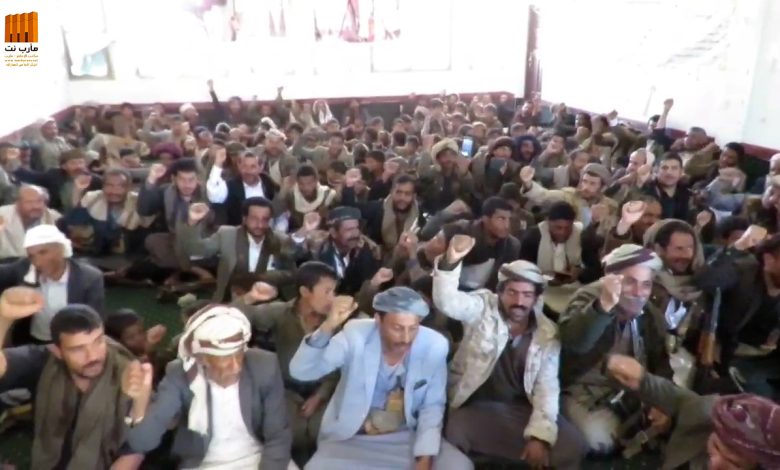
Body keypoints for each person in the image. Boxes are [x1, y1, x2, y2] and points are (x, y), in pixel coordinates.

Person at [432, 235, 587, 469]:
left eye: (527, 295)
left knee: (572, 445)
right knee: (456, 433)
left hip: (519, 410)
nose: (519, 301)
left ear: (536, 298)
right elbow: (447, 301)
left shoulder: (546, 333)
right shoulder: (483, 308)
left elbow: (546, 388)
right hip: (474, 406)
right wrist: (450, 262)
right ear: (500, 292)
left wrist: (539, 436)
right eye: (512, 293)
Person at [289, 287, 473, 469]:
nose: (406, 338)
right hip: (353, 438)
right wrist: (327, 327)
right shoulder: (356, 335)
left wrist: (424, 457)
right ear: (378, 320)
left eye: (413, 328)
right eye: (398, 328)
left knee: (460, 466)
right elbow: (302, 371)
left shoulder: (434, 345)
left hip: (406, 438)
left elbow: (432, 406)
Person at [124, 304, 294, 469]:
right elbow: (142, 443)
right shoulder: (180, 375)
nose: (236, 366)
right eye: (225, 358)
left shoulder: (264, 365)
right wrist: (140, 401)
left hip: (262, 456)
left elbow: (278, 434)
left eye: (239, 355)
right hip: (205, 464)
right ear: (202, 358)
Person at [0, 291, 142, 469]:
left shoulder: (127, 371)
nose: (93, 356)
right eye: (78, 349)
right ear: (57, 351)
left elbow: (139, 442)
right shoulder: (44, 361)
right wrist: (3, 319)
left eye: (98, 341)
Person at [558, 244, 671, 455]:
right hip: (585, 390)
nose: (639, 293)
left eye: (646, 285)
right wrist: (602, 307)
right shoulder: (587, 298)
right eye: (630, 282)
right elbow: (574, 342)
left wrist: (662, 403)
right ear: (611, 280)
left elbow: (660, 361)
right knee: (599, 439)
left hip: (630, 388)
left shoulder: (649, 313)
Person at [231, 262, 342, 465]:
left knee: (323, 433)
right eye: (327, 292)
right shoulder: (280, 312)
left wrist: (320, 396)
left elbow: (337, 368)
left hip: (324, 390)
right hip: (287, 391)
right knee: (290, 435)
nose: (332, 298)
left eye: (334, 292)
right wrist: (250, 298)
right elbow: (232, 318)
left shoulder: (337, 320)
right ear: (305, 292)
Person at [607, 354, 780, 469]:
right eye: (716, 446)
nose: (714, 463)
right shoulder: (706, 416)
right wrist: (642, 380)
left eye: (733, 463)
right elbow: (681, 400)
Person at [177, 197, 303, 302]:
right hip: (231, 300)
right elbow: (196, 250)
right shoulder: (227, 234)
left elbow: (292, 270)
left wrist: (263, 278)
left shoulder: (280, 239)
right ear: (244, 218)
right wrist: (192, 223)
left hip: (269, 302)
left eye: (264, 220)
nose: (259, 225)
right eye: (254, 218)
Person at [0, 224, 104, 344]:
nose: (37, 262)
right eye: (32, 256)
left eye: (43, 252)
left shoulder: (89, 278)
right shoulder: (25, 267)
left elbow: (94, 321)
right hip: (29, 341)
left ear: (61, 249)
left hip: (69, 344)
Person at [58, 168, 155, 258]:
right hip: (92, 253)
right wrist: (78, 191)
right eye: (109, 185)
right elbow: (73, 222)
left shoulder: (139, 202)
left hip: (127, 256)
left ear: (129, 188)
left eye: (121, 186)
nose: (114, 191)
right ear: (103, 186)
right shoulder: (92, 197)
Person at [137, 158, 210, 275]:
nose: (187, 184)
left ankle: (175, 266)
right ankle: (193, 268)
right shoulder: (166, 191)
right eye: (182, 179)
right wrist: (152, 178)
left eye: (191, 179)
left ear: (198, 179)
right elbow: (145, 210)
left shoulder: (208, 193)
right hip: (174, 238)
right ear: (174, 179)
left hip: (201, 239)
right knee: (152, 240)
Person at [435, 197, 521, 291]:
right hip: (447, 286)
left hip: (483, 294)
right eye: (501, 219)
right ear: (485, 219)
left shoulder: (511, 246)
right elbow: (430, 254)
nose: (507, 225)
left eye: (509, 219)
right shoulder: (460, 230)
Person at [298, 207, 381, 296]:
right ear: (333, 233)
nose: (355, 234)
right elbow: (291, 253)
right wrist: (303, 231)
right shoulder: (316, 246)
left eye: (356, 228)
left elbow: (367, 287)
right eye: (349, 230)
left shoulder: (367, 250)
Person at [341, 171, 422, 259]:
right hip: (378, 259)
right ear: (391, 191)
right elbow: (351, 210)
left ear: (414, 196)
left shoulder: (421, 216)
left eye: (407, 194)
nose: (402, 198)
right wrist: (349, 186)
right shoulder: (377, 208)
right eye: (399, 192)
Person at [13, 148, 103, 212]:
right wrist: (12, 162)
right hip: (59, 216)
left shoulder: (95, 180)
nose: (78, 166)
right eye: (73, 163)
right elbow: (31, 176)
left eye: (81, 162)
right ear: (64, 166)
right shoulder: (54, 176)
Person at [206, 148, 277, 225]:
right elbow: (214, 196)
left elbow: (278, 209)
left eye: (253, 167)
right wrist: (217, 165)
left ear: (261, 168)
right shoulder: (231, 185)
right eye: (244, 166)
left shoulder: (268, 183)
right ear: (239, 167)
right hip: (239, 230)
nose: (248, 171)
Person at [519, 200, 582, 282]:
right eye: (558, 227)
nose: (562, 232)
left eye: (567, 228)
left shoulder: (579, 234)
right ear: (548, 222)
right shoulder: (533, 237)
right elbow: (524, 270)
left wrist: (578, 271)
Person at [0, 185, 61, 260]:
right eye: (29, 202)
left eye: (39, 201)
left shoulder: (54, 217)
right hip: (5, 262)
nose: (35, 206)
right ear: (18, 203)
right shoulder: (2, 214)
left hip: (40, 262)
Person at [641, 152, 691, 221]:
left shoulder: (686, 194)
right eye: (664, 168)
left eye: (674, 168)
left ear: (681, 171)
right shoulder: (645, 192)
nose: (669, 172)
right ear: (656, 170)